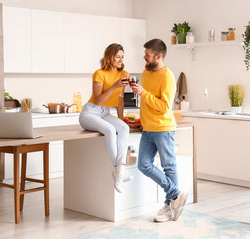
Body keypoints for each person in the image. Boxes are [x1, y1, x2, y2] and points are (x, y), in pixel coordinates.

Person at [131, 39, 187, 222]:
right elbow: (147, 101)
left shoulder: (168, 77)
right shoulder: (146, 73)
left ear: (158, 56)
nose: (144, 57)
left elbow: (164, 107)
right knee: (143, 165)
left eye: (147, 55)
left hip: (163, 128)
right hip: (147, 128)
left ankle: (170, 207)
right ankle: (176, 195)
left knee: (169, 166)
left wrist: (143, 93)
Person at [79, 43, 133, 193]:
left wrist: (121, 118)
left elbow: (120, 100)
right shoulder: (99, 73)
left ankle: (119, 170)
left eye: (122, 57)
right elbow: (99, 100)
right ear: (110, 57)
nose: (121, 60)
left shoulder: (124, 73)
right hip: (90, 113)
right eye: (117, 57)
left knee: (123, 128)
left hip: (105, 113)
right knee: (110, 130)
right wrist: (115, 86)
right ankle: (119, 172)